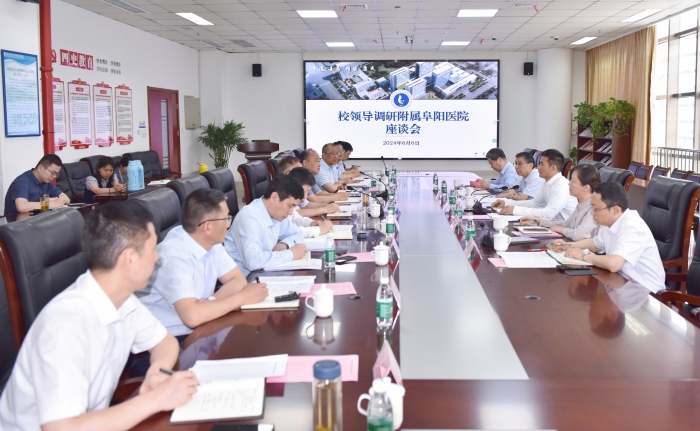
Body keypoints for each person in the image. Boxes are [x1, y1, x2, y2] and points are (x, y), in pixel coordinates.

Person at [0, 202, 199, 431]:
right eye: (152, 249)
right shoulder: (64, 325)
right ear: (129, 258)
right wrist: (155, 399)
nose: (157, 258)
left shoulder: (121, 300)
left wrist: (157, 373)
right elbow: (60, 428)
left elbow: (165, 342)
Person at [139, 188, 269, 337]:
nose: (228, 224)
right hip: (168, 338)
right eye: (226, 218)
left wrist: (211, 302)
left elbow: (238, 280)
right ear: (207, 226)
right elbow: (192, 317)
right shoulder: (173, 255)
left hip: (202, 326)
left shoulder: (210, 242)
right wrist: (241, 298)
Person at [553, 182, 665, 292]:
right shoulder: (610, 221)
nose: (592, 213)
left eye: (596, 209)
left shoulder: (632, 226)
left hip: (646, 292)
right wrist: (567, 245)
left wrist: (583, 255)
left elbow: (614, 264)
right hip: (622, 283)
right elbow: (595, 244)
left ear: (615, 210)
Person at [225, 175, 307, 276]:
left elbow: (297, 233)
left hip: (265, 273)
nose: (290, 212)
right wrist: (291, 254)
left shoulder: (277, 214)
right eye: (290, 206)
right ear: (274, 197)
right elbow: (253, 261)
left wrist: (285, 244)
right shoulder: (249, 218)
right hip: (246, 279)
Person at [519, 164, 600, 241]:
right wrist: (536, 221)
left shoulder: (594, 208)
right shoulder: (581, 204)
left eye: (573, 181)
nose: (569, 183)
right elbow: (566, 224)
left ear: (586, 188)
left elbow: (578, 235)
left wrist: (561, 230)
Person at [491, 149, 577, 220]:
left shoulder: (561, 186)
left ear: (553, 168)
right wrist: (506, 202)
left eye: (541, 164)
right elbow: (534, 204)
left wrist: (514, 210)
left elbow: (548, 214)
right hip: (550, 225)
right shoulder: (547, 182)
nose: (538, 167)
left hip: (563, 231)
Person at [4, 154, 71, 216]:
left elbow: (66, 199)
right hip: (17, 222)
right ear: (40, 168)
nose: (54, 176)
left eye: (56, 174)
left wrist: (53, 200)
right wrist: (52, 203)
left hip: (37, 219)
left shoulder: (47, 182)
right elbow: (22, 206)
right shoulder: (22, 181)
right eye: (53, 173)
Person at [287, 167, 334, 237]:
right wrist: (319, 230)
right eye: (304, 191)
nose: (306, 196)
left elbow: (295, 218)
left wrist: (311, 223)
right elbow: (288, 232)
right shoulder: (281, 200)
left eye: (307, 192)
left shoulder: (290, 200)